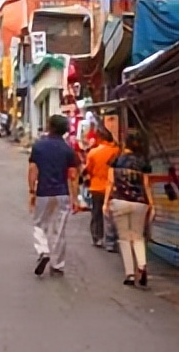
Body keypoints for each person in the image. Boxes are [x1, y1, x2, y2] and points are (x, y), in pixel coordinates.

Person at [28, 114, 79, 277]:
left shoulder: (38, 146)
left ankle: (43, 251)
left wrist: (32, 191)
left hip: (43, 192)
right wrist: (75, 198)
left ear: (50, 126)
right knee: (59, 229)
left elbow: (33, 170)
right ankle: (57, 265)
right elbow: (73, 176)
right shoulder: (68, 150)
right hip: (62, 193)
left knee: (39, 225)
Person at [104, 130, 154, 288]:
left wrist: (105, 202)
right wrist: (152, 204)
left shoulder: (116, 160)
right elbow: (146, 185)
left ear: (125, 142)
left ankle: (130, 275)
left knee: (124, 238)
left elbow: (110, 182)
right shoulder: (143, 162)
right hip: (140, 203)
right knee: (138, 237)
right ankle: (142, 265)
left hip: (120, 201)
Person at [84, 128, 120, 247]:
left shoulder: (93, 152)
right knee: (112, 215)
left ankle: (97, 237)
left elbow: (88, 169)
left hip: (96, 187)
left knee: (96, 214)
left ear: (99, 138)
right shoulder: (116, 151)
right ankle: (112, 240)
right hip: (113, 188)